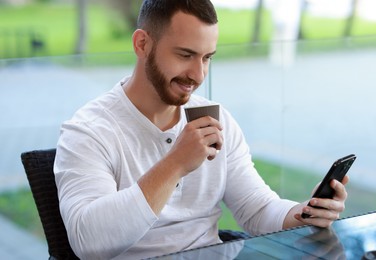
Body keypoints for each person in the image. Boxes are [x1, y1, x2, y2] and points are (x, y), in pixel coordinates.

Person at [54, 0, 349, 259]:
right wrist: (175, 163)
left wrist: (303, 214)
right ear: (142, 44)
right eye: (185, 55)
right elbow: (88, 243)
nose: (198, 75)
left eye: (207, 58)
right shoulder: (89, 131)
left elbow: (257, 209)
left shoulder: (218, 120)